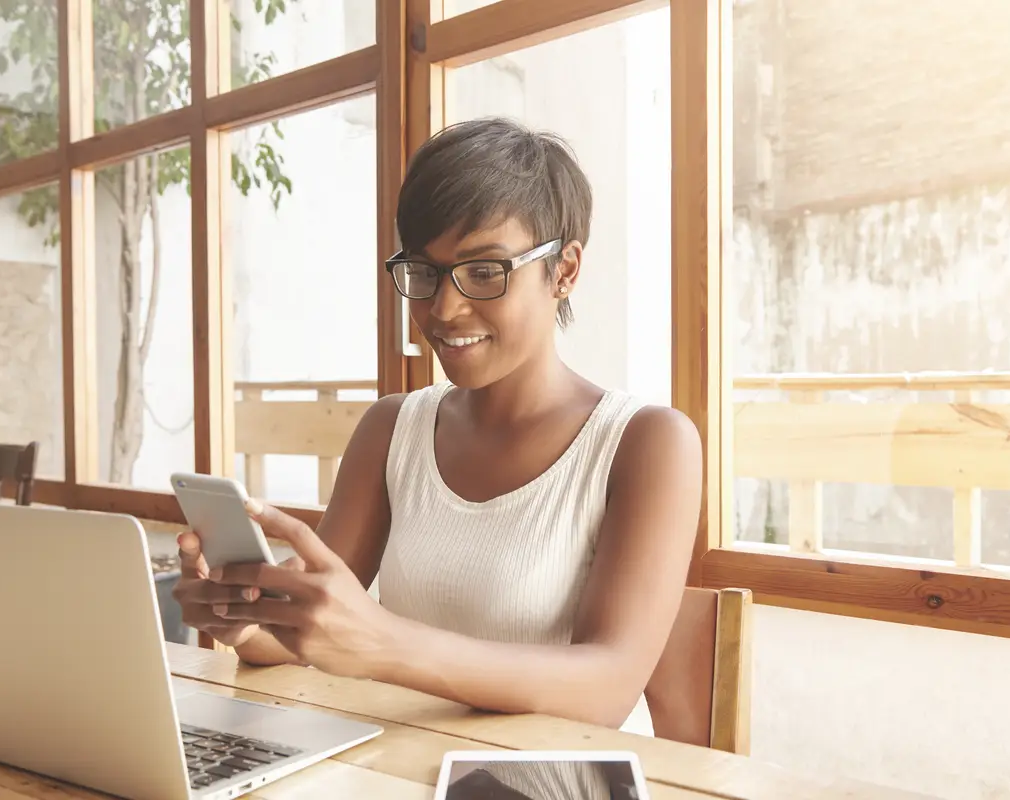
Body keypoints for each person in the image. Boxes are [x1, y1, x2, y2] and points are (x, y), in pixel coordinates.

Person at [171, 117, 703, 734]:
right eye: (424, 272)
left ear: (564, 271)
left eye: (484, 271)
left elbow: (606, 689)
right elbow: (307, 632)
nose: (444, 308)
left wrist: (384, 644)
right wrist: (247, 620)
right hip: (410, 766)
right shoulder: (392, 428)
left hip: (573, 778)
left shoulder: (646, 442)